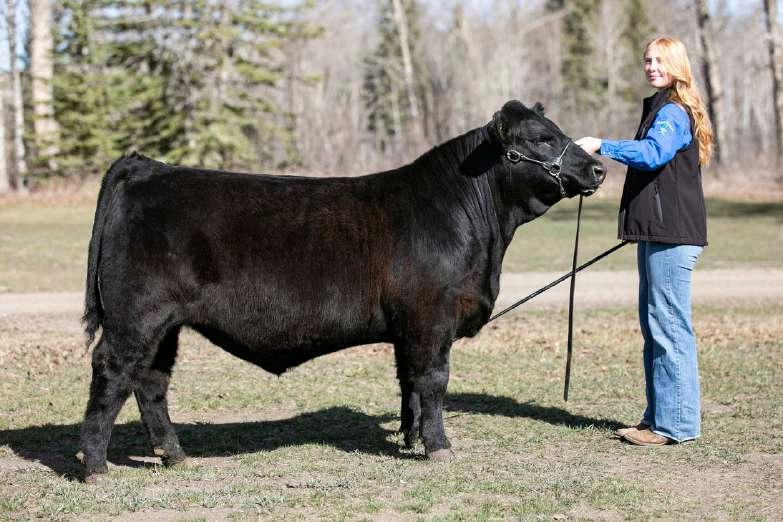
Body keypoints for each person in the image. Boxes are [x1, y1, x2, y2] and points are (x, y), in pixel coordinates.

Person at [575, 36, 713, 446]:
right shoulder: (662, 107)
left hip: (671, 236)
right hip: (658, 234)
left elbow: (652, 154)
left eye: (659, 60)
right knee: (656, 328)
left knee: (668, 328)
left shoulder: (672, 111)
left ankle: (675, 426)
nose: (651, 66)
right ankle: (657, 419)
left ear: (676, 65)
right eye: (647, 60)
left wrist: (601, 145)